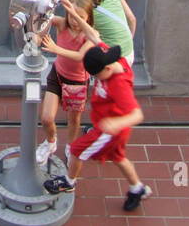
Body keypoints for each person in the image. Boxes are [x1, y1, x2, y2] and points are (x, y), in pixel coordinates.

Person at [44, 43, 152, 212]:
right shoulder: (111, 59)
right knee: (118, 158)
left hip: (109, 132)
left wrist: (115, 123)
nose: (97, 79)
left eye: (98, 76)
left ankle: (69, 182)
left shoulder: (119, 85)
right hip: (110, 130)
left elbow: (137, 115)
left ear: (107, 68)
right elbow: (95, 38)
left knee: (76, 150)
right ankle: (137, 188)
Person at [35, 0, 96, 166]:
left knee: (74, 120)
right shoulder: (62, 24)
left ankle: (71, 145)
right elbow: (45, 18)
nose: (74, 21)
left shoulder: (90, 35)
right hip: (58, 75)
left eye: (79, 17)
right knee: (46, 117)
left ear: (87, 18)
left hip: (77, 80)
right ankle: (50, 142)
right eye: (71, 16)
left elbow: (80, 56)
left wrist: (56, 49)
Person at [67, 0, 136, 66]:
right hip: (129, 52)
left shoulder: (83, 10)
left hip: (111, 61)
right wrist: (126, 42)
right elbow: (132, 19)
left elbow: (75, 37)